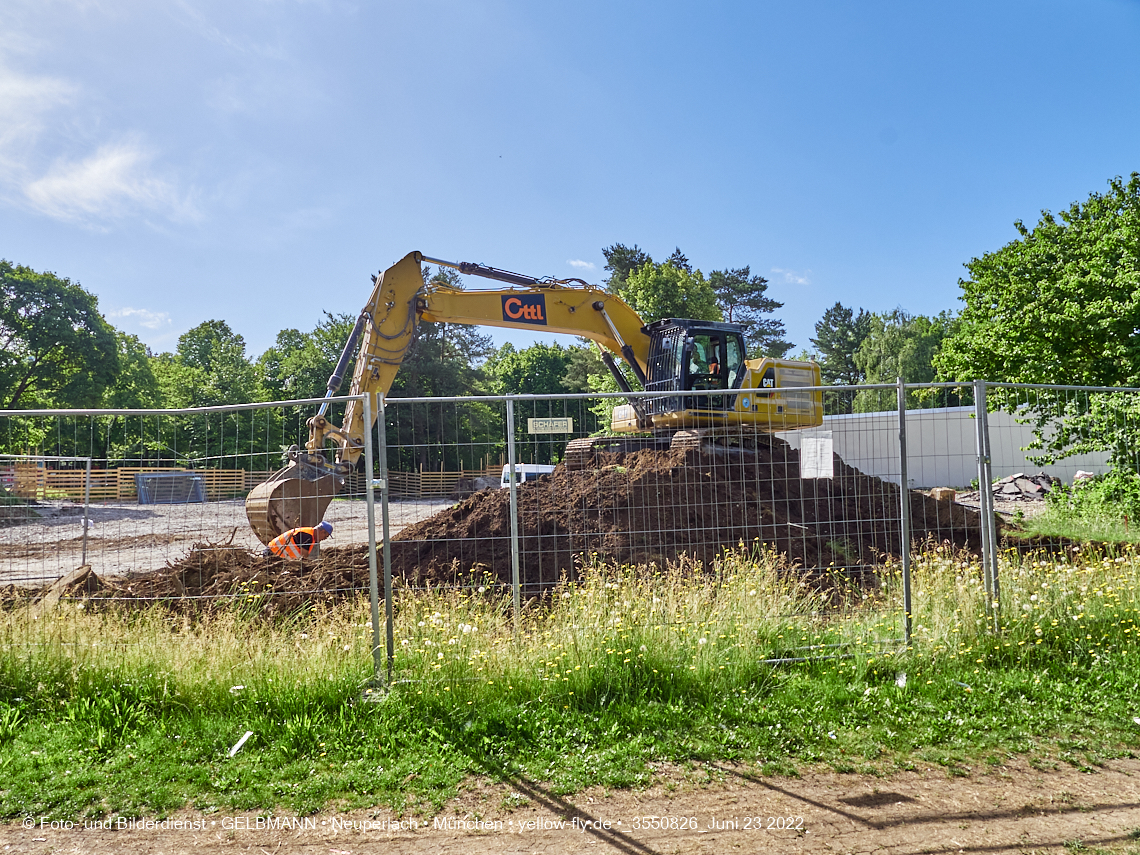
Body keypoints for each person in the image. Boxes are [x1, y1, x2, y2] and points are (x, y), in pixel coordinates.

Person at [263, 520, 333, 559]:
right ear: (322, 531)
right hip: (271, 555)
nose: (324, 539)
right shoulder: (307, 536)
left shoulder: (309, 534)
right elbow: (303, 557)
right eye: (325, 536)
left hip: (274, 554)